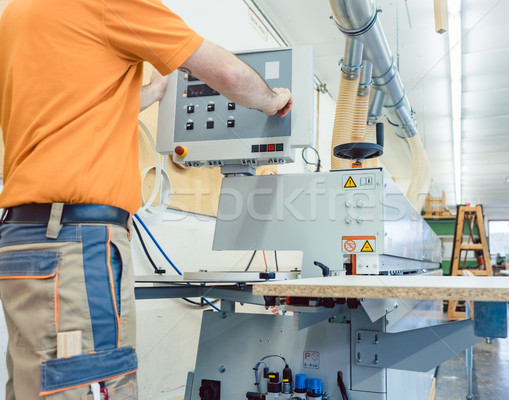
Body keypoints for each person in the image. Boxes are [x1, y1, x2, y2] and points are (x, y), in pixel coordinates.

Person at [0, 0, 293, 399]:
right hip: (76, 246)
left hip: (22, 239)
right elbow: (224, 71)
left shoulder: (19, 13)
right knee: (91, 384)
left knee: (36, 385)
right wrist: (272, 100)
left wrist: (155, 91)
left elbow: (74, 109)